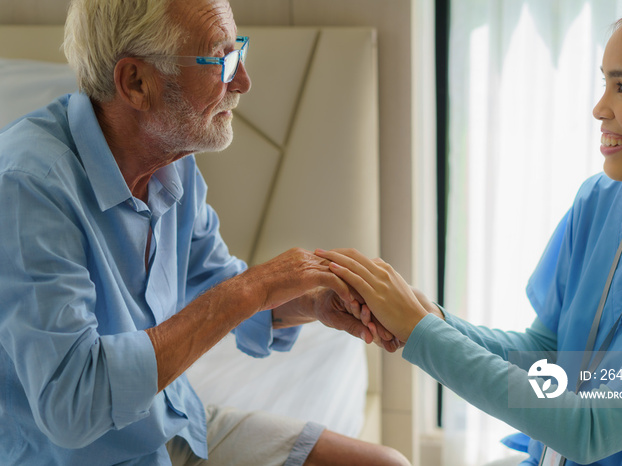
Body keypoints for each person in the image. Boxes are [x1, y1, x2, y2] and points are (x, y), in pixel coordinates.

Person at [0, 0, 409, 465]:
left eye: (239, 53)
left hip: (170, 424)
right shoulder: (26, 187)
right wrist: (253, 288)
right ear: (136, 82)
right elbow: (73, 402)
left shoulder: (174, 162)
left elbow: (212, 283)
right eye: (220, 61)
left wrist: (311, 301)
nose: (243, 82)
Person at [318, 0, 622, 464]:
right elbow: (546, 357)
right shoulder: (600, 204)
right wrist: (426, 316)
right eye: (604, 83)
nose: (600, 108)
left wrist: (419, 331)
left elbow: (589, 429)